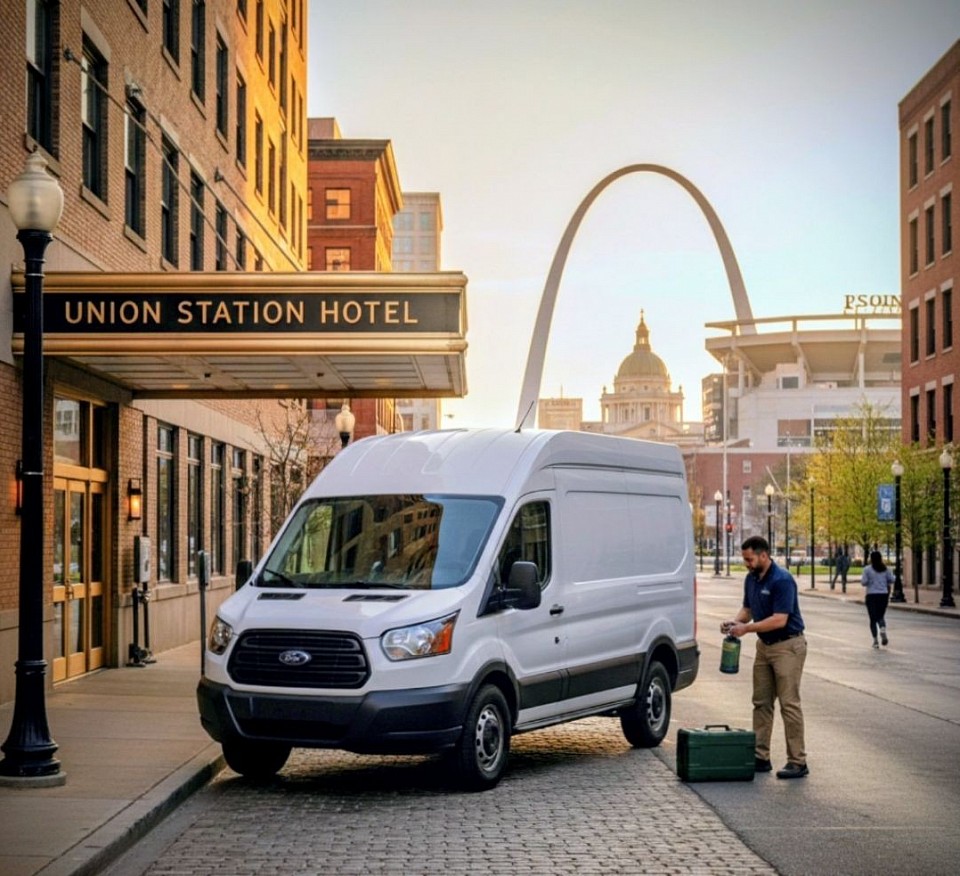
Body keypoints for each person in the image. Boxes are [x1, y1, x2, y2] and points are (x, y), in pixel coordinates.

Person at [721, 535, 808, 779]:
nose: (747, 564)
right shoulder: (751, 579)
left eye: (749, 559)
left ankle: (797, 761)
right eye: (745, 559)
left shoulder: (782, 580)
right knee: (761, 702)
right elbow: (748, 610)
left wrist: (746, 629)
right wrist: (735, 622)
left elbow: (780, 619)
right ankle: (761, 756)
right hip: (765, 646)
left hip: (788, 645)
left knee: (789, 704)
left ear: (763, 555)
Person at [861, 550, 893, 649]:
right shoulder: (886, 569)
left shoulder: (867, 569)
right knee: (880, 616)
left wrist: (870, 581)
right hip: (883, 595)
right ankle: (882, 628)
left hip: (871, 595)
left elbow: (863, 582)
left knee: (872, 619)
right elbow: (891, 580)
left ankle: (875, 641)